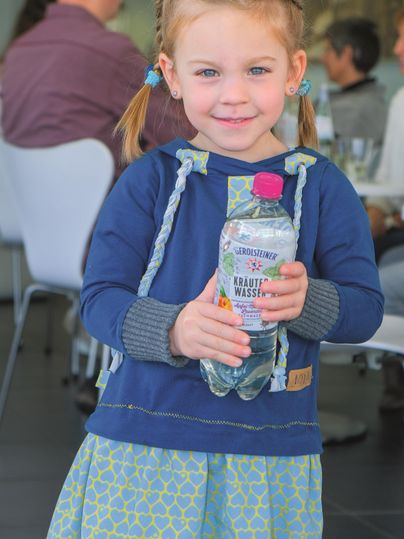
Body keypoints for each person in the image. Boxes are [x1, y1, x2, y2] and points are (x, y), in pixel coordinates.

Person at [47, 0, 383, 537]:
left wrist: (308, 301)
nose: (234, 95)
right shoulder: (150, 181)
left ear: (294, 72)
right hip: (144, 441)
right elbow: (101, 298)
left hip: (270, 451)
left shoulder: (320, 187)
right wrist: (173, 329)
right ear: (173, 75)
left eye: (257, 69)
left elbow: (365, 309)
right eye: (208, 72)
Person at [1, 0, 193, 179]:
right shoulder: (109, 51)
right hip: (99, 208)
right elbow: (184, 134)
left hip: (24, 210)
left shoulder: (19, 50)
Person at [367, 9, 404, 262]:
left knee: (383, 281)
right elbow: (387, 181)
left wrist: (390, 221)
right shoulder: (401, 99)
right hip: (395, 225)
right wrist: (372, 218)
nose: (397, 49)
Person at [321, 17, 387, 145]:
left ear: (347, 54)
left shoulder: (356, 111)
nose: (322, 58)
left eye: (328, 50)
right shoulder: (372, 100)